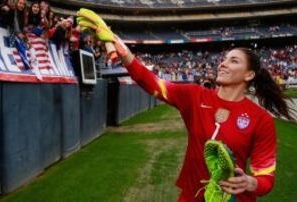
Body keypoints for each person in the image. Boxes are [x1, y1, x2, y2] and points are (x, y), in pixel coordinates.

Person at [76, 9, 296, 202]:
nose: (223, 63)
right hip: (190, 197)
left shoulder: (261, 119)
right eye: (224, 58)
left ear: (249, 74)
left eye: (233, 60)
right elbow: (151, 82)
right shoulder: (194, 96)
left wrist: (250, 183)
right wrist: (119, 45)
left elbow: (266, 176)